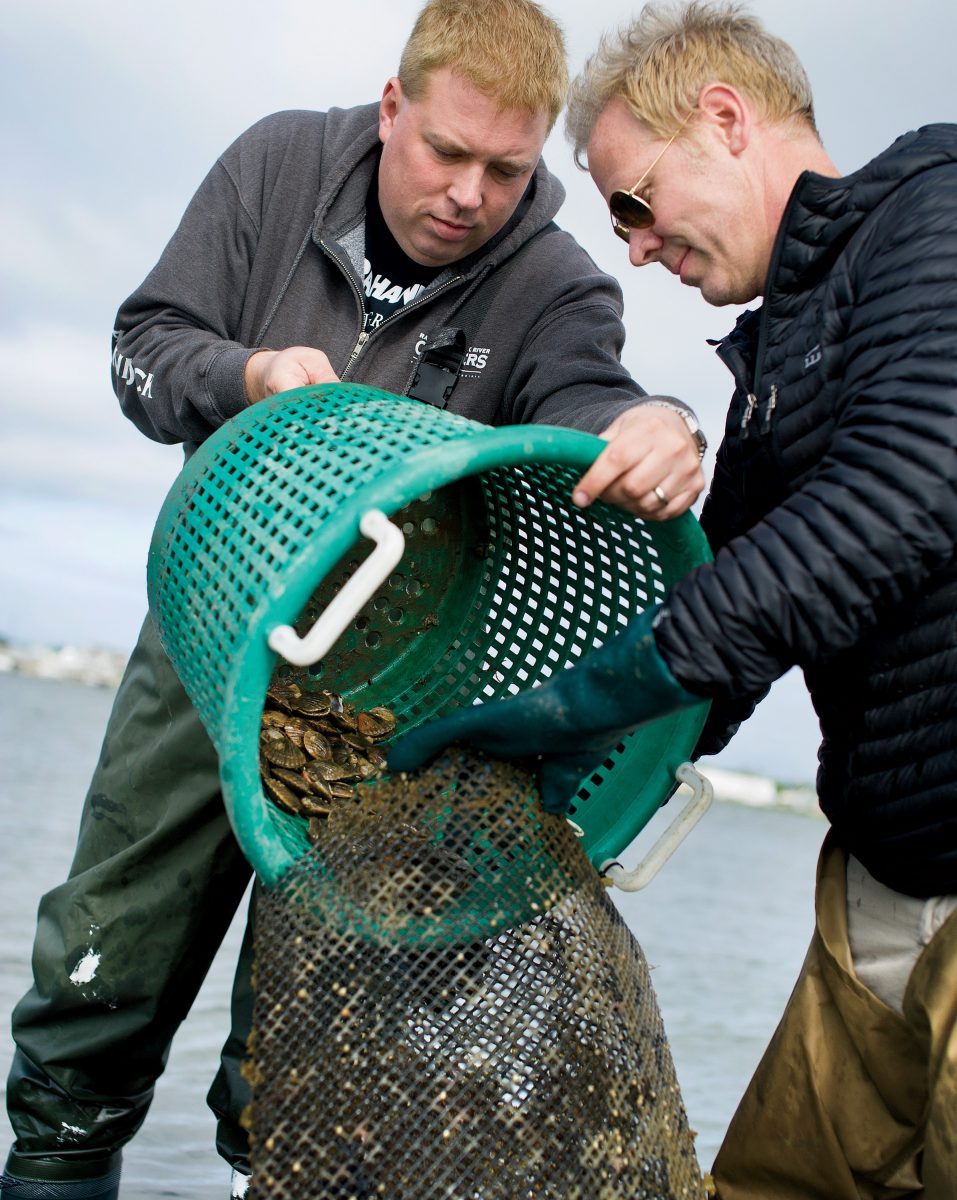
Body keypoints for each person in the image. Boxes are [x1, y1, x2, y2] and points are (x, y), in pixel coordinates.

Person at [0, 3, 708, 1198]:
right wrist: (246, 375)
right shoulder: (278, 167)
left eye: (507, 171)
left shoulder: (555, 282)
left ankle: (259, 1169)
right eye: (446, 152)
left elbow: (586, 396)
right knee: (107, 956)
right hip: (216, 622)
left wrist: (653, 424)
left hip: (395, 696)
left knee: (303, 1043)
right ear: (393, 108)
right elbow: (144, 342)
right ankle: (59, 1158)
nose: (470, 195)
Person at [389, 3, 957, 1197]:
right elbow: (721, 619)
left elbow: (903, 493)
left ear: (724, 118)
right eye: (617, 225)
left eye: (636, 203)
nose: (637, 251)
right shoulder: (781, 353)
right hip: (879, 885)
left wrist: (594, 700)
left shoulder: (934, 216)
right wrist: (540, 798)